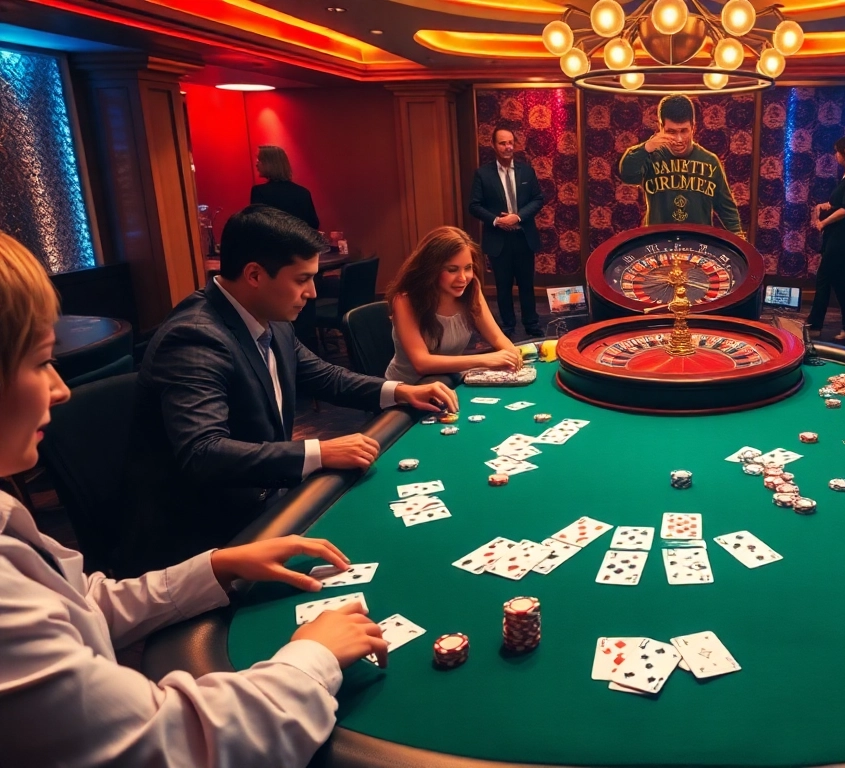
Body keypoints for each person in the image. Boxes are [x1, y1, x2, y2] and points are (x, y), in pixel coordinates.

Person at [0, 231, 388, 767]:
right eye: (42, 362)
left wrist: (218, 565)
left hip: (224, 531)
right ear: (255, 275)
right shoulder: (196, 335)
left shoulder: (7, 516)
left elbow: (82, 605)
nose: (60, 389)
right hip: (189, 517)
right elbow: (174, 745)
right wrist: (313, 654)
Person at [126, 205, 456, 575]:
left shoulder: (268, 316)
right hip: (205, 536)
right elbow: (204, 453)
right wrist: (320, 451)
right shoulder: (196, 337)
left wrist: (400, 391)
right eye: (301, 279)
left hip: (263, 501)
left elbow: (323, 376)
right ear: (254, 274)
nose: (312, 293)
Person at [385, 225, 523, 383]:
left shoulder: (472, 289)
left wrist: (511, 354)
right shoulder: (405, 300)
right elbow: (421, 363)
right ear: (431, 269)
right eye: (452, 270)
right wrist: (487, 360)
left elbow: (497, 338)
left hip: (450, 382)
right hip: (407, 392)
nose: (463, 278)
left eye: (468, 268)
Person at [618, 94, 744, 238]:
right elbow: (627, 175)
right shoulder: (651, 157)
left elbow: (726, 208)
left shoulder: (710, 161)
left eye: (684, 131)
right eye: (671, 132)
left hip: (699, 244)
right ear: (661, 127)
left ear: (693, 128)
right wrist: (646, 147)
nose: (678, 139)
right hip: (658, 243)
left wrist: (740, 241)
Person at [468, 127, 545, 338]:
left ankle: (531, 324)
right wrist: (497, 221)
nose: (507, 147)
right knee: (502, 287)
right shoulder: (482, 174)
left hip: (523, 237)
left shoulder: (527, 171)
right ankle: (508, 326)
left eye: (510, 142)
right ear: (493, 145)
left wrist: (517, 216)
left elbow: (538, 199)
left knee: (527, 284)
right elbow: (474, 206)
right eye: (502, 143)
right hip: (498, 240)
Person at [807, 135, 845, 341]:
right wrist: (826, 206)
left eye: (837, 151)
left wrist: (823, 222)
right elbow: (839, 204)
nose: (835, 155)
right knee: (841, 282)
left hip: (842, 237)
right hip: (836, 235)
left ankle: (814, 324)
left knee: (824, 277)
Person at [250, 145, 320, 230]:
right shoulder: (303, 192)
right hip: (298, 242)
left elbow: (256, 225)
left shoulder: (259, 191)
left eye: (259, 159)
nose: (256, 163)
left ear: (269, 163)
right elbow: (313, 224)